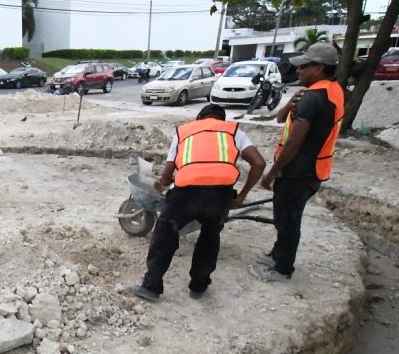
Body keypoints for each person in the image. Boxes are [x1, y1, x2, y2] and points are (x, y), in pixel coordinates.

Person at [131, 103, 266, 301]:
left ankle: (151, 286)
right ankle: (198, 286)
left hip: (186, 194)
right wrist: (241, 196)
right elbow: (259, 163)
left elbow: (167, 178)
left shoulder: (185, 131)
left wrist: (161, 183)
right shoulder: (234, 131)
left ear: (199, 117)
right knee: (210, 238)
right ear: (222, 119)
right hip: (220, 195)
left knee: (165, 233)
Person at [250, 42, 344, 283]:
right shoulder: (331, 90)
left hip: (297, 171)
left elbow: (294, 143)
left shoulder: (314, 98)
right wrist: (293, 101)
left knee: (288, 220)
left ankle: (282, 269)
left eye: (304, 66)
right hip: (312, 169)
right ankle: (278, 254)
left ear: (319, 68)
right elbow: (280, 118)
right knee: (285, 217)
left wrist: (272, 173)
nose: (298, 70)